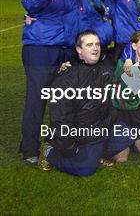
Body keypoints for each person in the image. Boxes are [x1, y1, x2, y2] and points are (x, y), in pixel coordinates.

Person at [39, 31, 133, 176]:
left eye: (97, 44)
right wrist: (68, 146)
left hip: (103, 127)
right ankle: (49, 152)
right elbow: (61, 118)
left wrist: (132, 61)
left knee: (125, 148)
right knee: (86, 169)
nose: (95, 48)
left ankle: (97, 155)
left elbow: (138, 86)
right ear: (79, 50)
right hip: (82, 133)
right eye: (89, 45)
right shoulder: (68, 76)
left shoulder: (108, 68)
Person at [20, 0, 79, 163]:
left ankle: (56, 143)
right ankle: (29, 148)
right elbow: (29, 3)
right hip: (41, 49)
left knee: (62, 100)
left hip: (64, 50)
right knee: (37, 99)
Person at [112, 30, 140, 156]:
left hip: (138, 112)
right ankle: (123, 141)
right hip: (121, 114)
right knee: (122, 157)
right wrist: (127, 57)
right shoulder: (125, 65)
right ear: (134, 46)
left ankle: (131, 140)